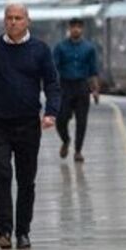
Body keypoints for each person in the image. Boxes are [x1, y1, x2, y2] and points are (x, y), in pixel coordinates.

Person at [0, 3, 61, 250]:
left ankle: (23, 232)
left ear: (27, 21)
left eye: (18, 18)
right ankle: (4, 230)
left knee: (26, 180)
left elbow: (51, 83)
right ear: (3, 21)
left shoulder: (40, 50)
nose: (13, 22)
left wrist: (51, 112)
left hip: (28, 124)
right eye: (9, 18)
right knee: (2, 174)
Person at [53, 17, 103, 164]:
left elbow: (93, 70)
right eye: (73, 26)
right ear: (69, 29)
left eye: (79, 27)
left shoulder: (89, 48)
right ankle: (66, 140)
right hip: (65, 87)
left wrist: (95, 90)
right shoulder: (60, 47)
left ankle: (78, 151)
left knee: (82, 121)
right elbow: (53, 68)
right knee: (61, 119)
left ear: (82, 29)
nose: (76, 29)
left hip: (82, 87)